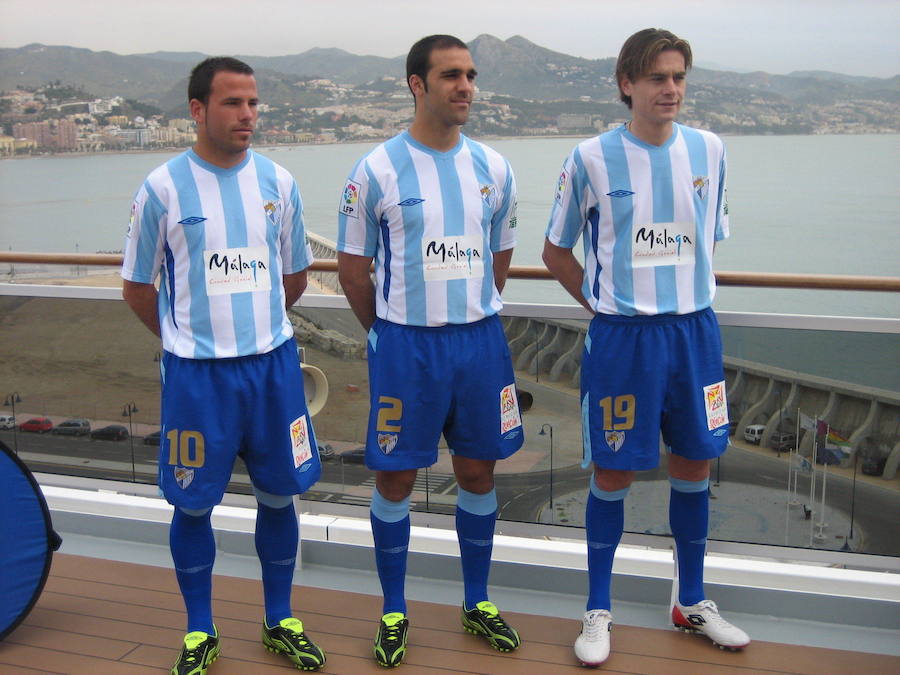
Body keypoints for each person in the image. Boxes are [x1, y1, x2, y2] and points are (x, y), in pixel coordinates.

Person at [542, 28, 750, 667]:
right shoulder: (590, 158)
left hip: (694, 333)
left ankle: (690, 600)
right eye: (658, 78)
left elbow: (709, 238)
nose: (671, 89)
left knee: (694, 463)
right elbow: (555, 252)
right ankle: (597, 610)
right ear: (627, 84)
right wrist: (607, 306)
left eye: (679, 77)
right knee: (614, 471)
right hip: (624, 340)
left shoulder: (710, 151)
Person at [121, 57, 326, 675]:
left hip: (272, 370)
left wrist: (254, 332)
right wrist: (188, 342)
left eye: (254, 103)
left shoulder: (279, 183)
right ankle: (199, 631)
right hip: (198, 380)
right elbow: (137, 287)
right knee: (191, 504)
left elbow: (293, 277)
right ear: (197, 109)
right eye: (234, 103)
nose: (247, 115)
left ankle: (280, 619)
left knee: (279, 496)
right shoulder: (161, 189)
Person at [337, 34, 524, 668]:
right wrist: (384, 332)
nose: (465, 86)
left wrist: (468, 311)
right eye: (450, 75)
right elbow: (353, 268)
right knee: (395, 476)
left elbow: (499, 258)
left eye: (470, 74)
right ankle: (394, 610)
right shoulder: (376, 170)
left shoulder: (494, 169)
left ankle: (477, 601)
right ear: (417, 84)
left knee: (478, 472)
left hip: (478, 344)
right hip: (405, 348)